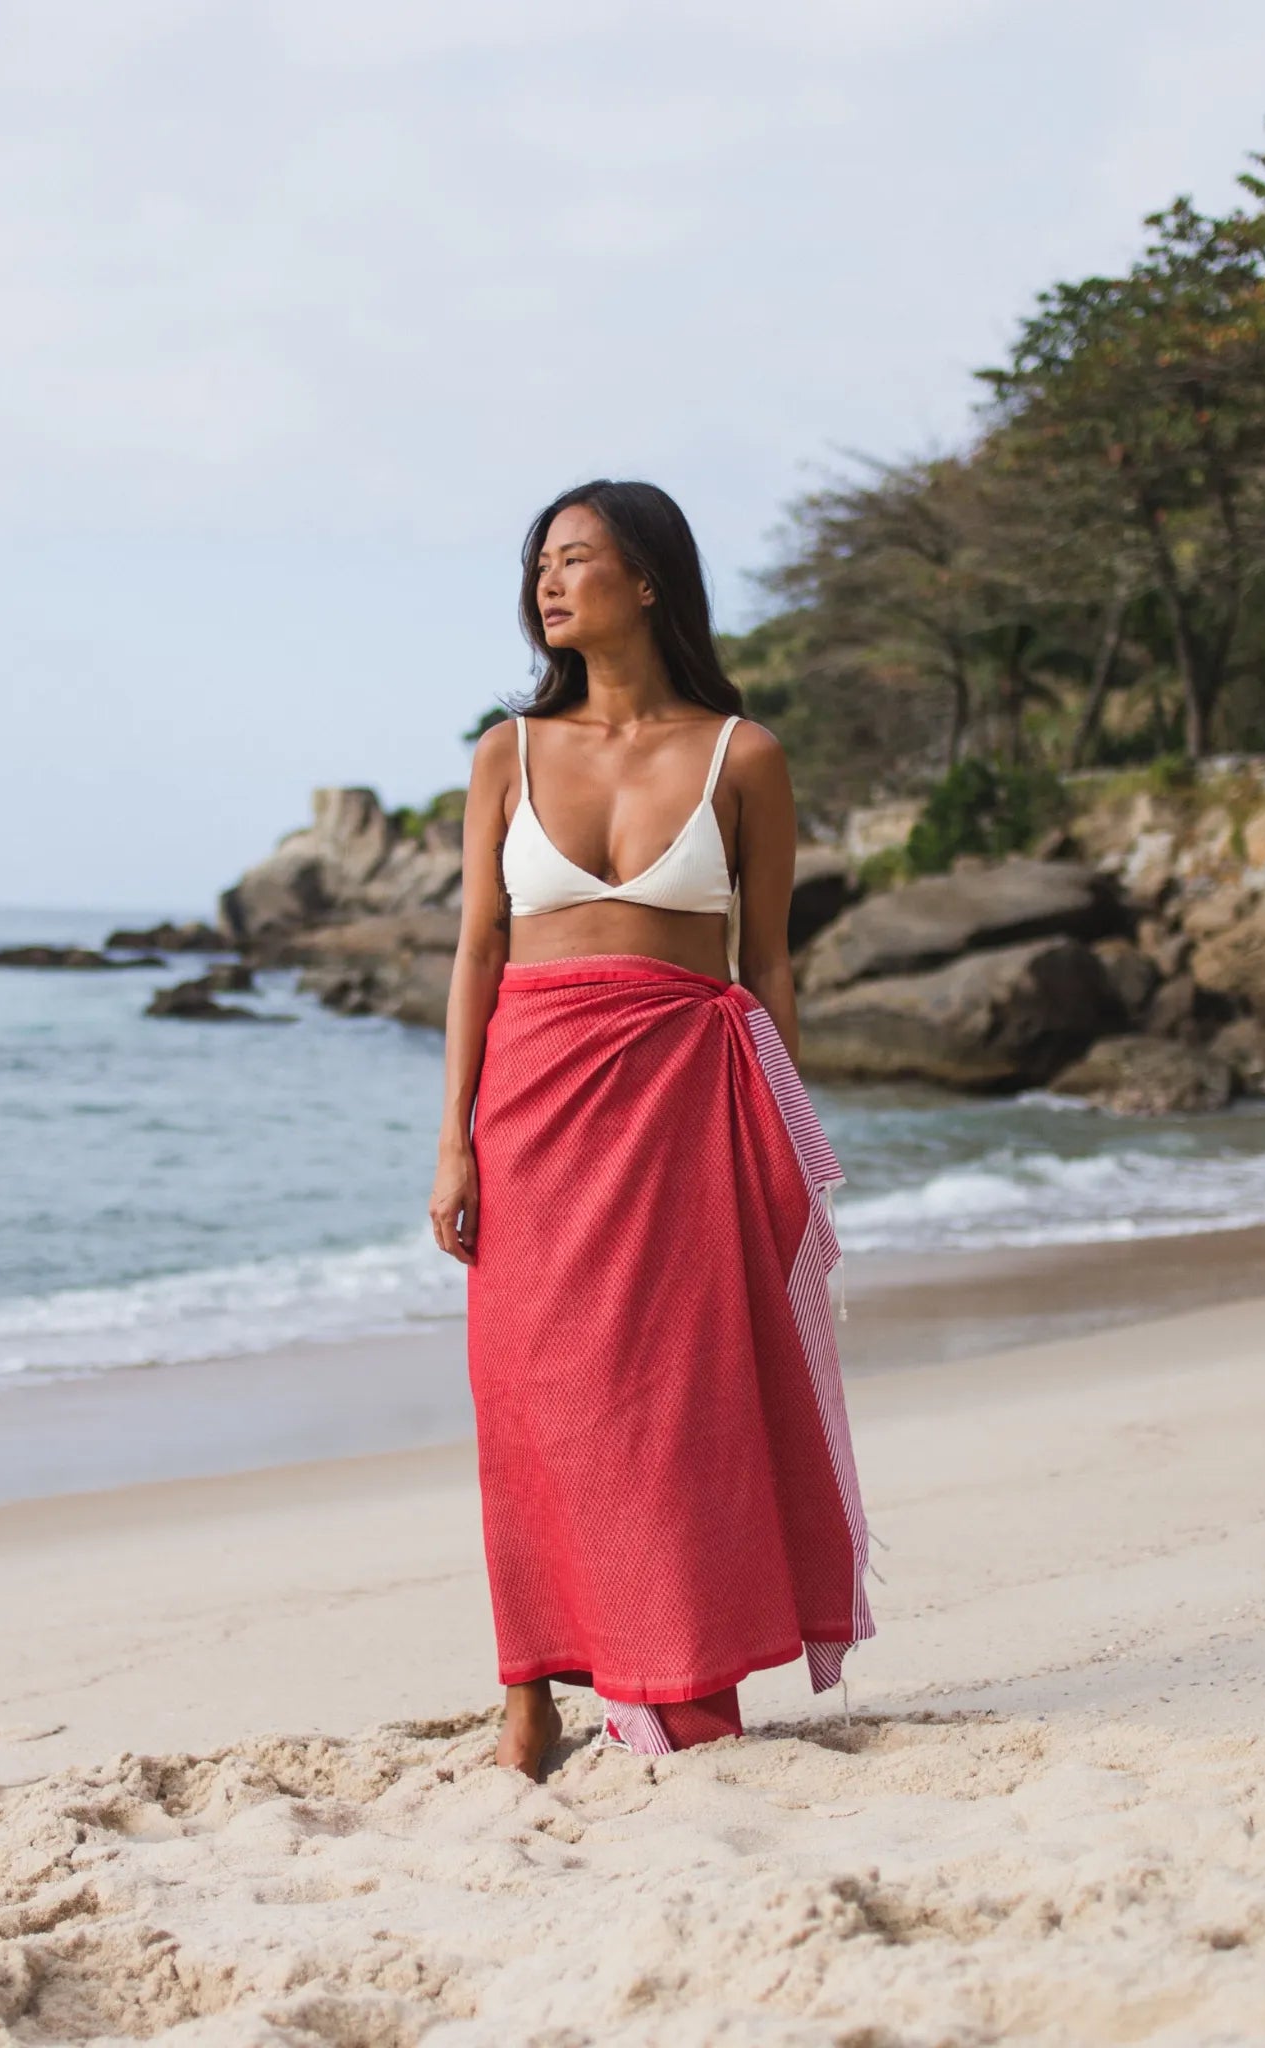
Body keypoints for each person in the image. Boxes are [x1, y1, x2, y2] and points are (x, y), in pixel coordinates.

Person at [428, 479, 874, 1778]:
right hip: (533, 1109)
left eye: (578, 559)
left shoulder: (746, 756)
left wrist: (784, 1129)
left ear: (652, 581)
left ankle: (682, 1678)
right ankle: (531, 1699)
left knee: (679, 1406)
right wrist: (454, 1140)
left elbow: (772, 968)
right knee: (529, 1405)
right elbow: (475, 955)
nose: (550, 584)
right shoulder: (507, 753)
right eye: (541, 565)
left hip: (688, 1109)